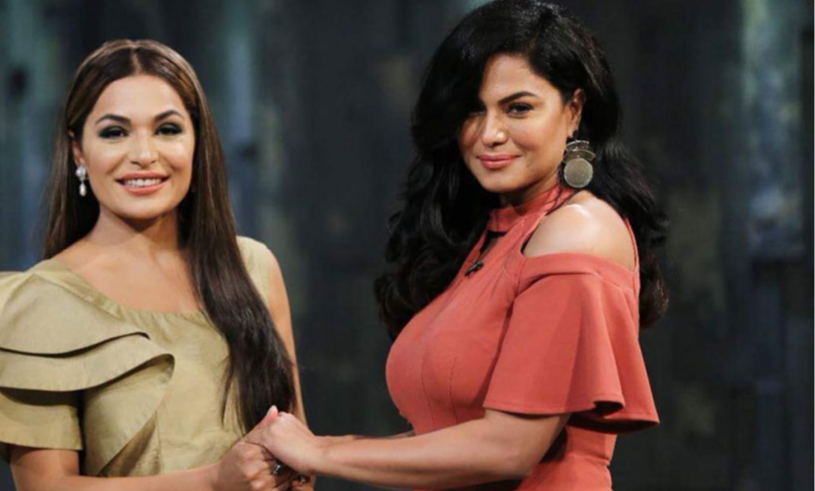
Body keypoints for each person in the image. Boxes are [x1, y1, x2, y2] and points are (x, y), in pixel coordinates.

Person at [246, 1, 668, 489]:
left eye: (518, 108)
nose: (489, 134)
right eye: (472, 109)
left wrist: (319, 452)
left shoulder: (577, 230)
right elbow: (449, 436)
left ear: (573, 110)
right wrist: (316, 447)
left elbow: (509, 448)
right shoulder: (495, 234)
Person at [0, 39, 309, 491]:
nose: (144, 154)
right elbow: (48, 489)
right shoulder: (40, 302)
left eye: (167, 129)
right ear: (78, 151)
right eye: (115, 133)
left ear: (197, 143)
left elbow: (298, 461)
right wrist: (213, 481)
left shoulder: (253, 267)